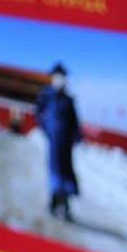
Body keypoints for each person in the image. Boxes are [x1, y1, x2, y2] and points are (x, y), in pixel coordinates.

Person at [36, 62, 81, 222]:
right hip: (54, 141)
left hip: (66, 143)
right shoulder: (46, 96)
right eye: (57, 77)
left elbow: (75, 121)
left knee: (66, 172)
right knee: (56, 172)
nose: (60, 79)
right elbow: (38, 114)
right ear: (53, 78)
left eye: (62, 77)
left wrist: (76, 136)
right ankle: (57, 205)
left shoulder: (68, 99)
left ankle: (62, 206)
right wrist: (46, 129)